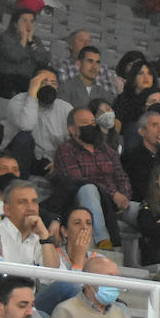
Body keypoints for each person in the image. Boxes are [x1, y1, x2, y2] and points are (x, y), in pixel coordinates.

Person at [54, 106, 131, 248]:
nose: (91, 126)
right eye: (85, 123)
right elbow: (77, 181)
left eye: (93, 123)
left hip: (116, 202)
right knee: (88, 188)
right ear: (72, 129)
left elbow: (121, 176)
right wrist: (113, 195)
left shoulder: (107, 150)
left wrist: (124, 197)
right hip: (83, 200)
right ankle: (103, 240)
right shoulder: (66, 150)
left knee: (145, 211)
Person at [3, 68, 73, 175]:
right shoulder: (17, 101)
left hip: (50, 161)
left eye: (53, 83)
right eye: (43, 82)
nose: (49, 86)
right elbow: (27, 126)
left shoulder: (66, 108)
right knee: (24, 137)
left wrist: (60, 161)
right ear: (33, 84)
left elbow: (72, 141)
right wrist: (32, 95)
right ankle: (16, 186)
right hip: (17, 157)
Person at [0, 179, 62, 268]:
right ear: (7, 210)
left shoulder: (40, 238)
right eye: (22, 202)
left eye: (34, 202)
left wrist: (45, 236)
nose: (31, 208)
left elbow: (53, 275)